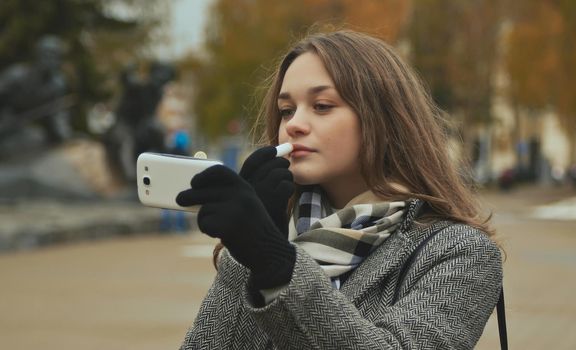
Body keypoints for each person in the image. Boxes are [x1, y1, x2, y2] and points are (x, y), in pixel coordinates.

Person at [176, 30, 503, 349]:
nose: (294, 124)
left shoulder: (460, 252)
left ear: (381, 118)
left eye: (321, 106)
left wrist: (276, 264)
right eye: (287, 110)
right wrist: (250, 249)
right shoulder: (276, 228)